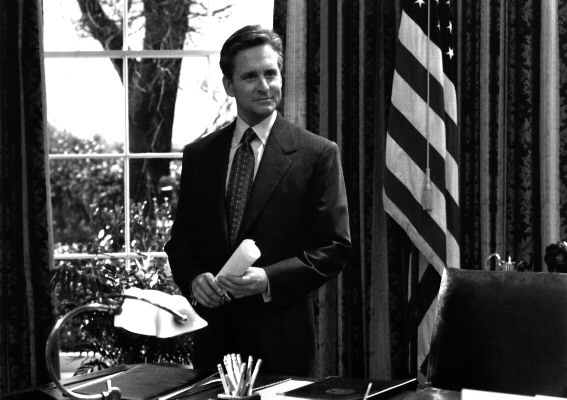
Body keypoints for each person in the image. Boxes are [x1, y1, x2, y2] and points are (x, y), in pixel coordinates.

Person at [164, 25, 351, 377]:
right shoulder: (200, 155)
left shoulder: (317, 154)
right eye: (250, 76)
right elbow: (181, 243)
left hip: (283, 346)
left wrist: (267, 279)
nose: (264, 86)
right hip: (213, 345)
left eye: (271, 73)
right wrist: (194, 280)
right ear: (229, 85)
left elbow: (334, 248)